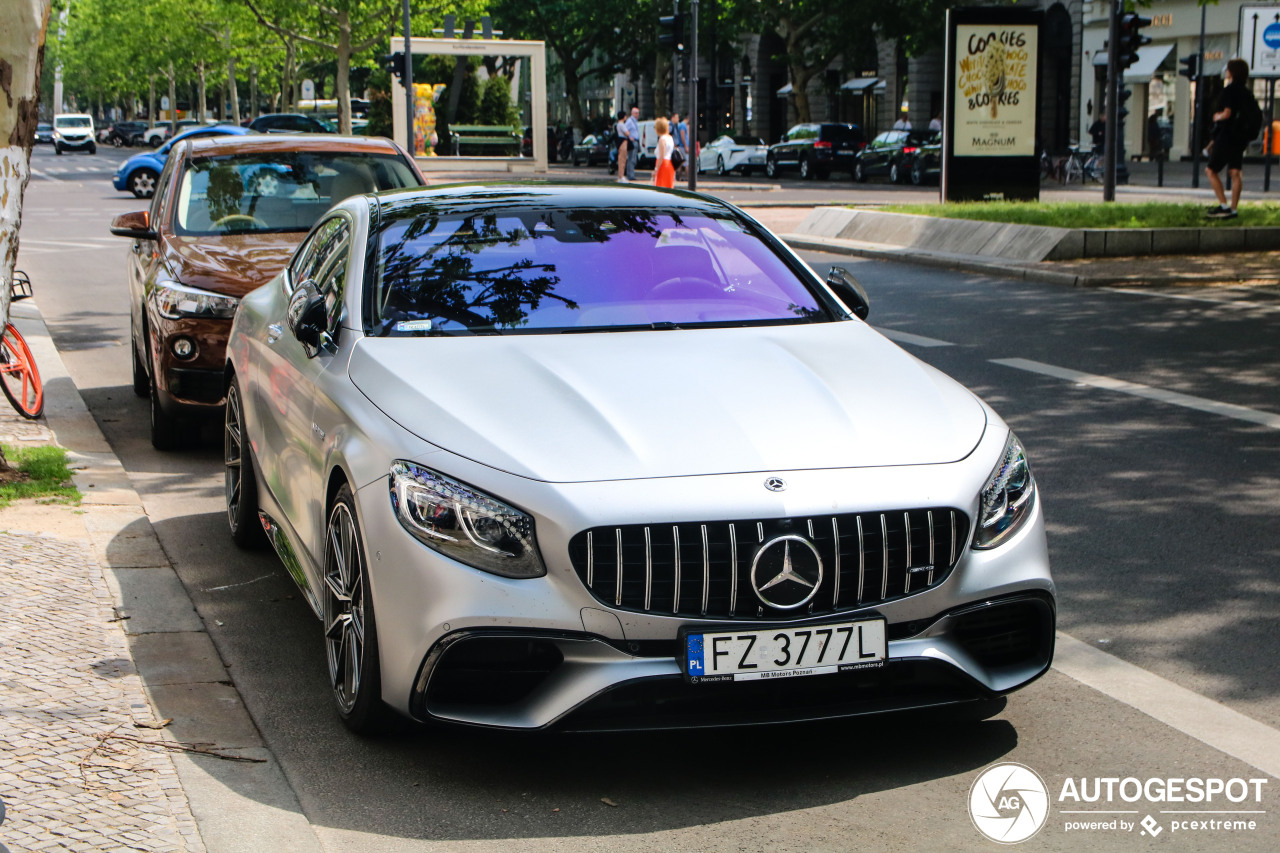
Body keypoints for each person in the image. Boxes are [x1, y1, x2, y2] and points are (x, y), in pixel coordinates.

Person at [1205, 58, 1251, 219]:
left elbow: (1227, 113)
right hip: (1241, 138)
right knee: (1236, 172)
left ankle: (1223, 205)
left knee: (1210, 170)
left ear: (1232, 72)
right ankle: (1234, 209)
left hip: (1227, 136)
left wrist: (1217, 116)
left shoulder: (1229, 90)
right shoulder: (1247, 92)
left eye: (1228, 69)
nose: (1226, 71)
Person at [652, 117, 675, 188]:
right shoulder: (670, 138)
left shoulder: (662, 139)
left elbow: (662, 155)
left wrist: (656, 169)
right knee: (668, 187)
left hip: (662, 165)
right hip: (670, 164)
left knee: (660, 187)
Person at [624, 105, 640, 182]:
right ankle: (630, 175)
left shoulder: (635, 122)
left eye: (638, 113)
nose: (638, 115)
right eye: (636, 113)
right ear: (632, 113)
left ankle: (631, 174)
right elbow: (624, 130)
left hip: (636, 141)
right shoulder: (630, 121)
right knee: (631, 159)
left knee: (633, 158)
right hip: (632, 142)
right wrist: (629, 137)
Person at [671, 112, 688, 179]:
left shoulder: (676, 125)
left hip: (677, 145)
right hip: (677, 146)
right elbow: (671, 135)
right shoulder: (672, 125)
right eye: (677, 117)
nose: (678, 119)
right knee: (682, 162)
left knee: (679, 161)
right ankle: (679, 177)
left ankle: (678, 176)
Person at [614, 110, 629, 182]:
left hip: (620, 141)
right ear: (623, 117)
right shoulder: (622, 124)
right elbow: (627, 133)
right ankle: (621, 176)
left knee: (621, 159)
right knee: (622, 159)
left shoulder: (618, 124)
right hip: (623, 142)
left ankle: (621, 175)